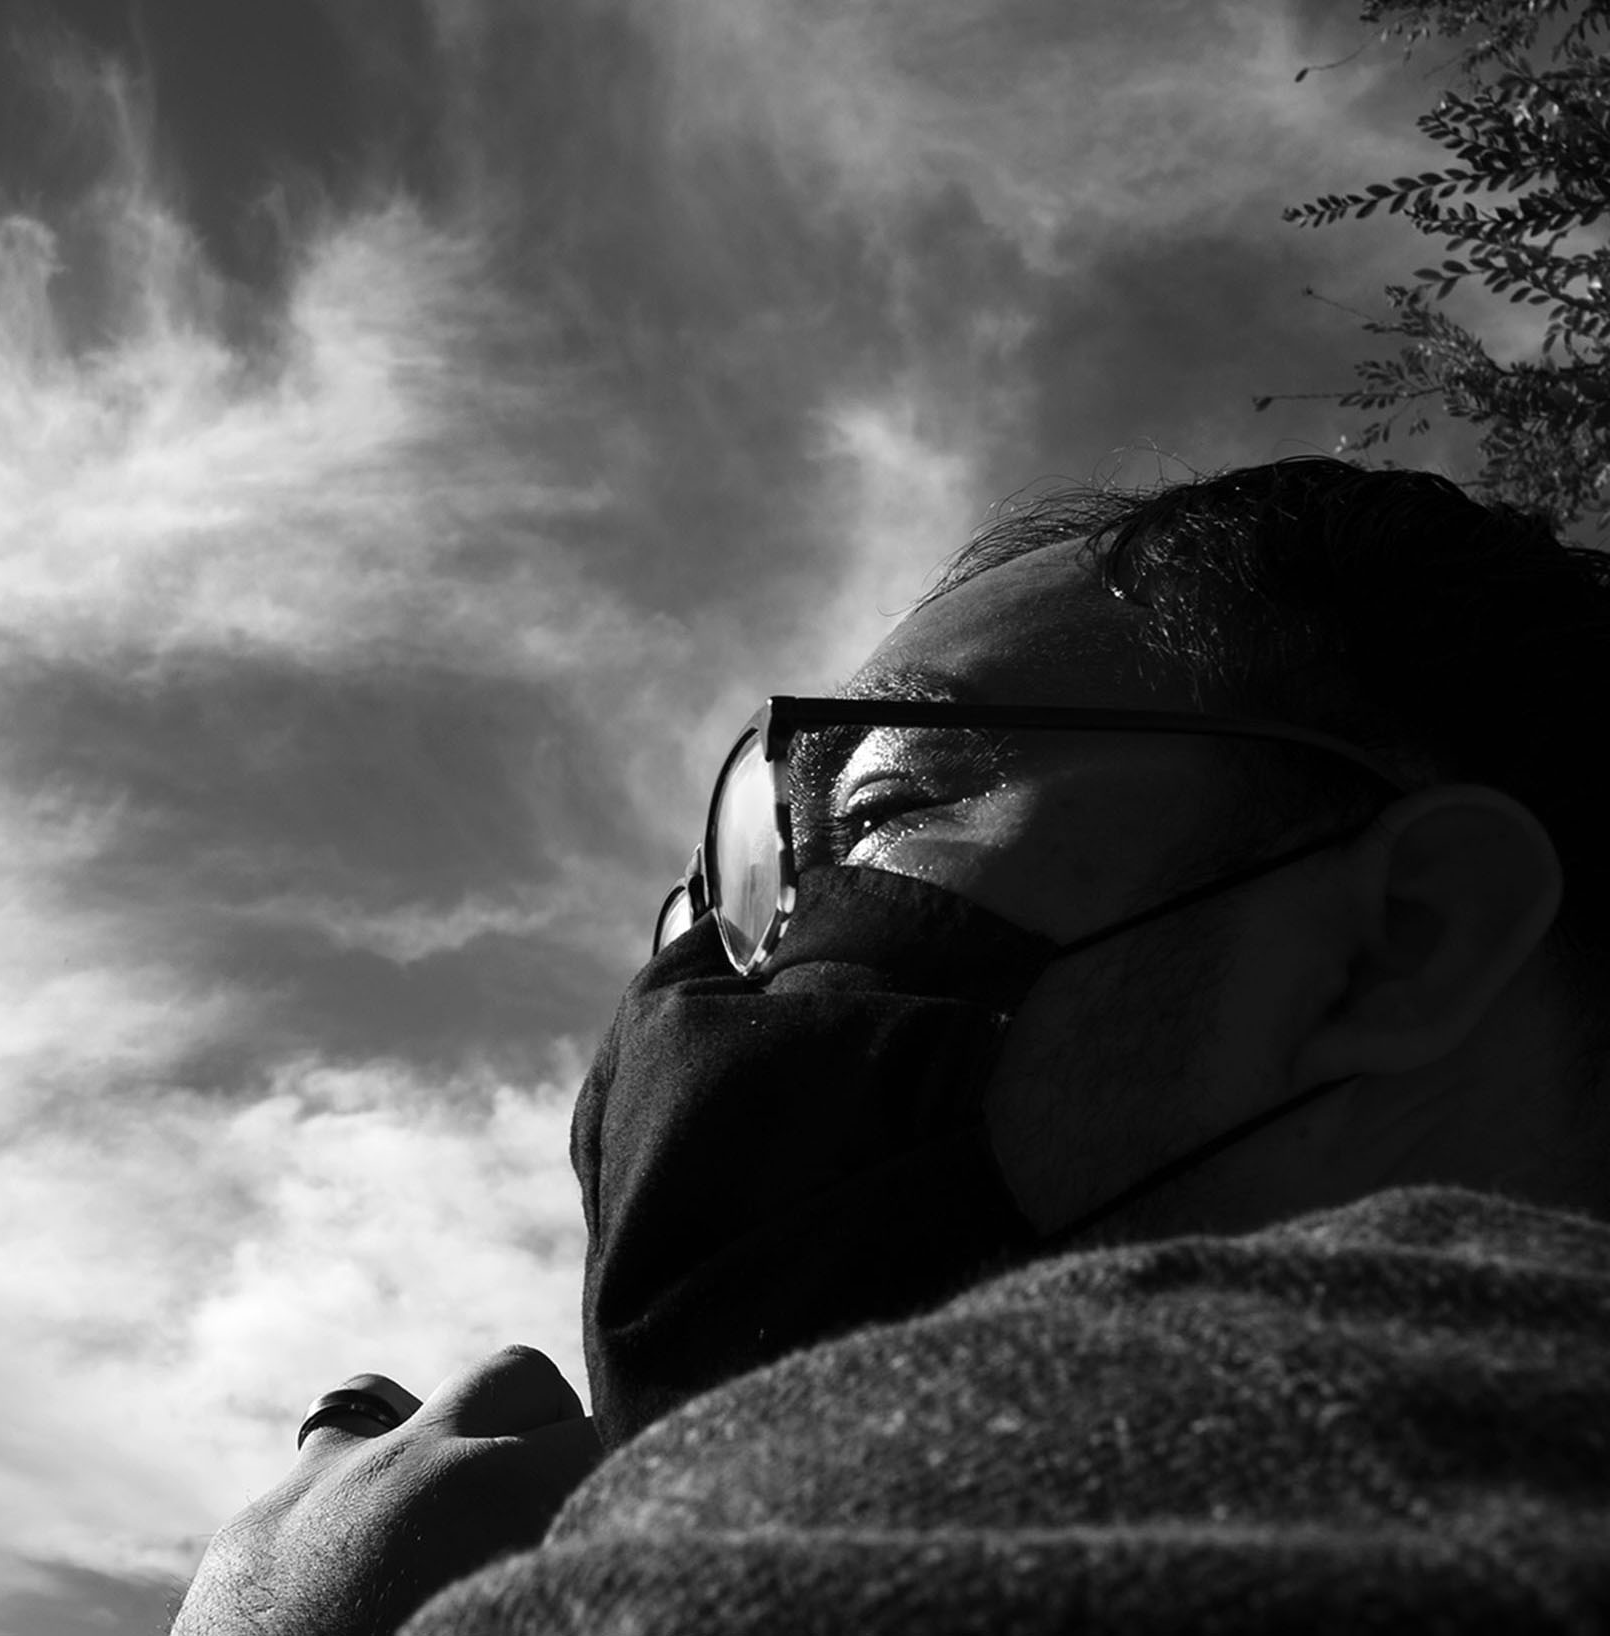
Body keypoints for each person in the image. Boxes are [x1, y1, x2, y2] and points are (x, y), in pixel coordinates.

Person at [171, 456, 1610, 1634]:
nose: (712, 967)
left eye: (875, 815)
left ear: (1403, 933)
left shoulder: (1241, 1457)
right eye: (732, 882)